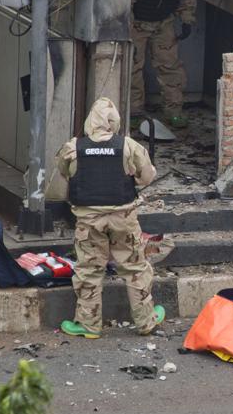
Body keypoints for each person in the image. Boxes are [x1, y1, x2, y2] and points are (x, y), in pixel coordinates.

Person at [55, 97, 165, 338]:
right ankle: (146, 321)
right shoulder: (128, 145)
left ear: (89, 122)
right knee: (135, 267)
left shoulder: (74, 147)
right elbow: (147, 176)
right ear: (114, 122)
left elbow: (64, 173)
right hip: (123, 217)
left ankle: (89, 325)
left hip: (88, 220)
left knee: (89, 270)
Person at [130, 0, 198, 129]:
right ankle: (133, 112)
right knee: (132, 68)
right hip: (137, 24)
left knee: (170, 66)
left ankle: (173, 111)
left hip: (164, 22)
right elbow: (124, 8)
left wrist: (187, 19)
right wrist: (126, 35)